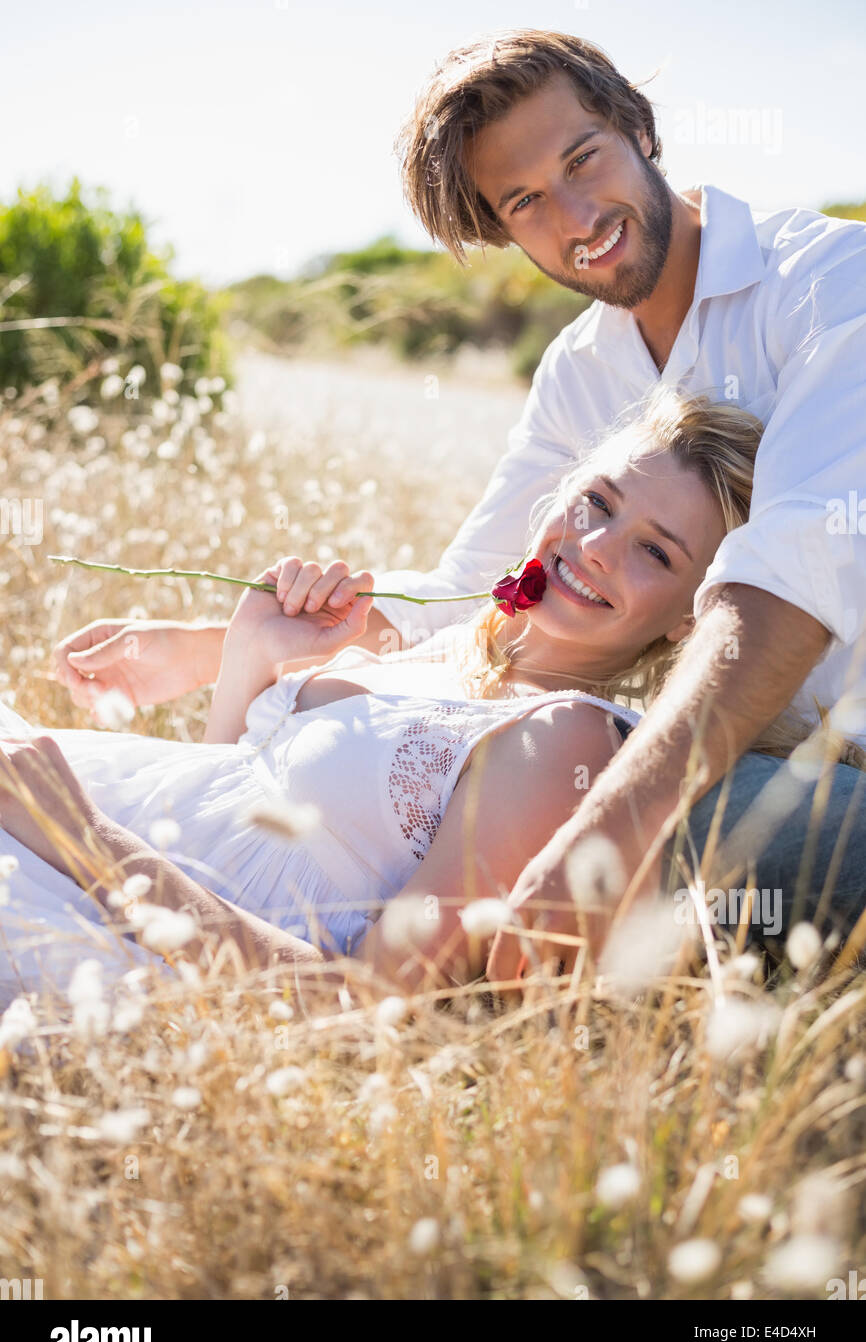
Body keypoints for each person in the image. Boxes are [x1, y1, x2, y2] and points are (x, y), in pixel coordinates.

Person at [52, 30, 866, 975]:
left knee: (581, 804)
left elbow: (796, 579)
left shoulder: (829, 283)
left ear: (640, 130)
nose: (574, 215)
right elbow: (470, 589)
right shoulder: (581, 370)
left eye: (582, 159)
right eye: (525, 201)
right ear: (502, 229)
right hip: (689, 743)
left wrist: (604, 827)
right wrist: (206, 650)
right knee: (483, 782)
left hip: (815, 769)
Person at [3, 386, 805, 1003]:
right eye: (597, 502)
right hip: (73, 857)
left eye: (654, 553)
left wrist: (80, 839)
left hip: (93, 924)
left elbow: (368, 1008)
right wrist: (249, 657)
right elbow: (220, 835)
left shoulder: (563, 740)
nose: (592, 548)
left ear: (687, 623)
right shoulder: (439, 648)